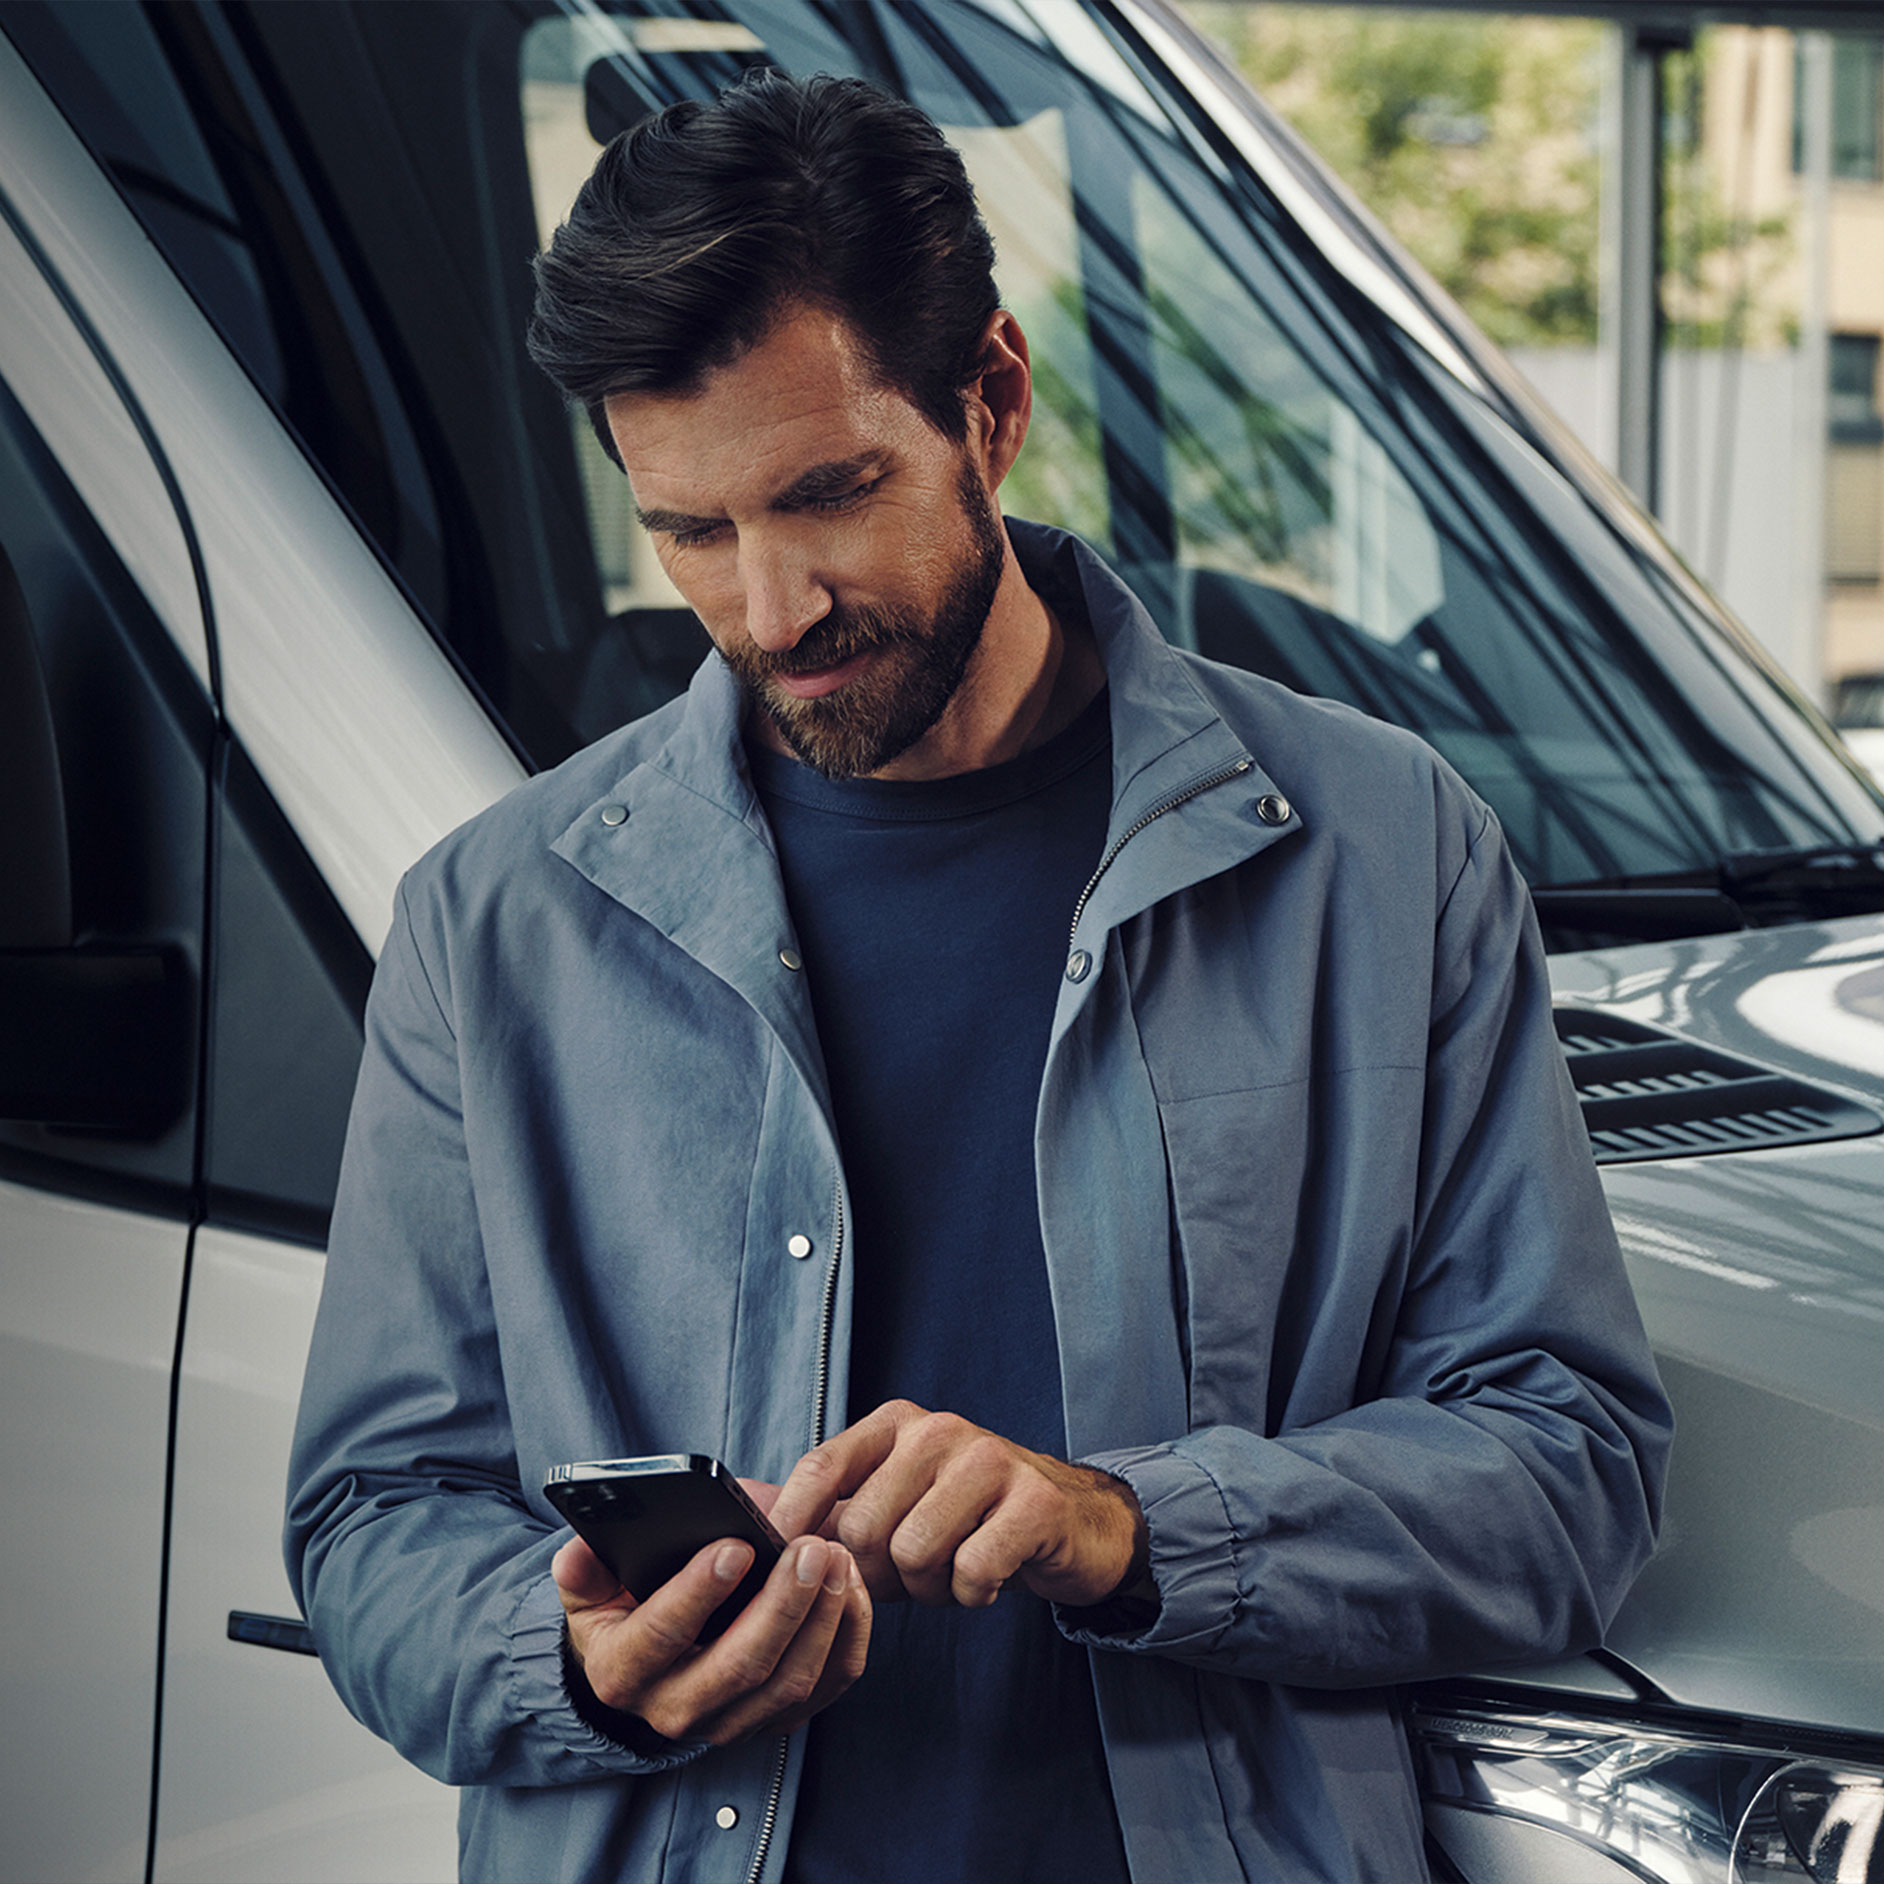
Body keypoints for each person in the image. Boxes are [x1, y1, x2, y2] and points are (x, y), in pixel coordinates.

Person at [286, 69, 1671, 1884]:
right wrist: (576, 1664)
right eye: (692, 532)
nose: (771, 609)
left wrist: (1129, 1525)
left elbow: (1569, 1467)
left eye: (830, 495)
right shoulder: (497, 922)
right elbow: (368, 1520)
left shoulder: (1384, 853)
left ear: (992, 403)